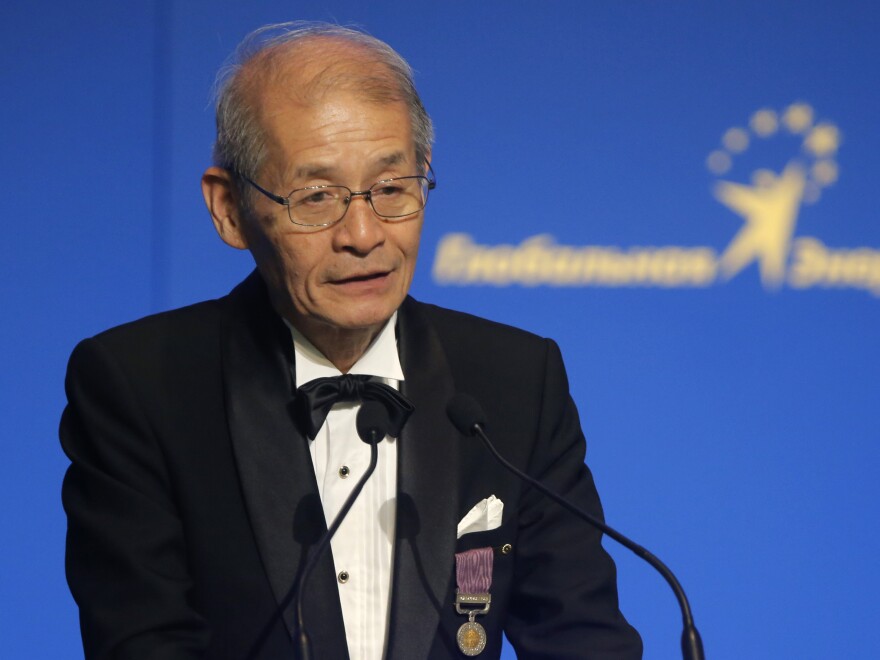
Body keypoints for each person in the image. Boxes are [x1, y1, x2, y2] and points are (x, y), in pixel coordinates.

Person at [60, 22, 642, 660]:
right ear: (229, 209)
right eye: (316, 197)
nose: (364, 234)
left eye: (392, 189)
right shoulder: (140, 386)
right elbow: (144, 642)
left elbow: (583, 638)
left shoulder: (514, 380)